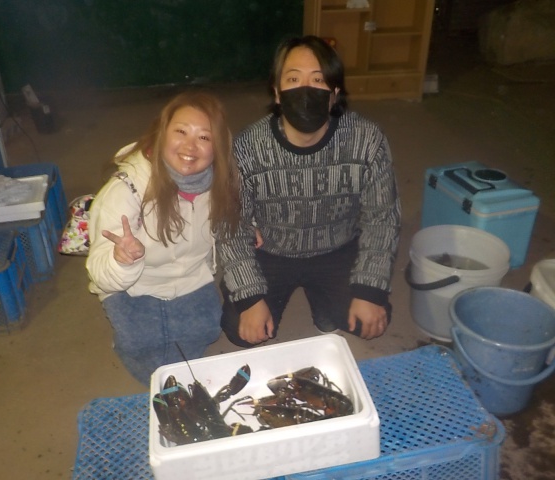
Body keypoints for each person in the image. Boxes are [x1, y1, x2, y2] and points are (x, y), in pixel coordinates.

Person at [218, 35, 401, 348]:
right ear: (277, 93)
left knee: (369, 319)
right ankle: (312, 298)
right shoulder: (248, 146)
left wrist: (370, 290)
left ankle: (324, 302)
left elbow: (383, 217)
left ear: (334, 94)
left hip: (338, 247)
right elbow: (231, 226)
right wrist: (250, 298)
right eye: (293, 79)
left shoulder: (367, 139)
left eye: (318, 80)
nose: (305, 90)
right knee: (239, 330)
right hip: (271, 250)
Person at [86, 91, 241, 386]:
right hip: (134, 285)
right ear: (161, 134)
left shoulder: (222, 181)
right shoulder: (125, 189)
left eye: (204, 137)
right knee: (140, 346)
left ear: (218, 147)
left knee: (208, 329)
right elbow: (100, 275)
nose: (190, 146)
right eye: (181, 132)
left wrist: (248, 226)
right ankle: (126, 343)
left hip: (190, 278)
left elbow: (237, 212)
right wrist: (121, 260)